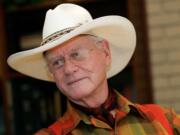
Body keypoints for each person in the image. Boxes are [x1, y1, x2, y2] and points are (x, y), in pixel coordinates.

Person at [7, 3, 180, 135]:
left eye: (76, 54)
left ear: (105, 52)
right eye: (57, 62)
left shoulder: (166, 120)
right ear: (51, 74)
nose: (68, 69)